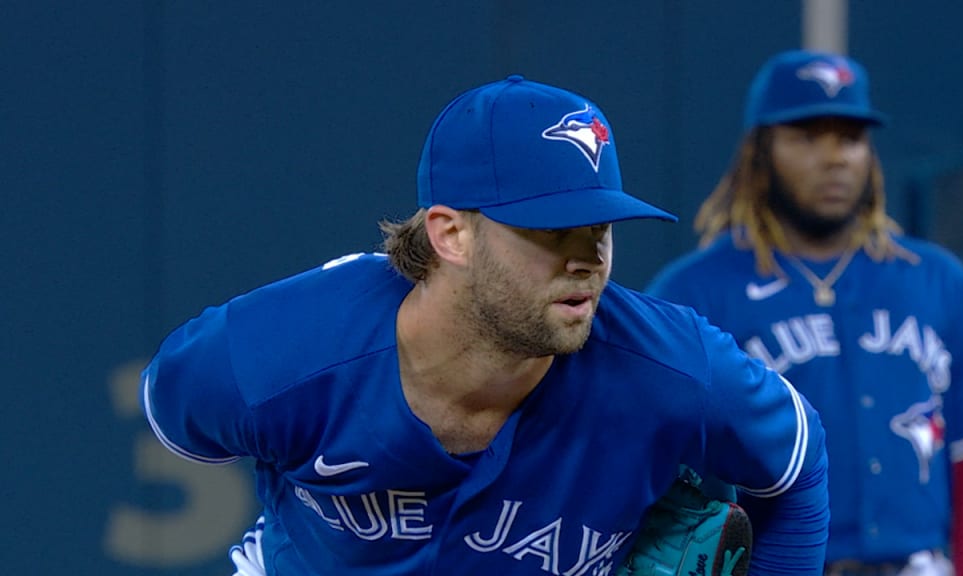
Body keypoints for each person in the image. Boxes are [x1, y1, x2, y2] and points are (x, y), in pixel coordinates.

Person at [140, 74, 830, 575]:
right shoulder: (287, 351)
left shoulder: (668, 369)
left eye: (601, 228)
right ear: (451, 234)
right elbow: (177, 413)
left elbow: (797, 467)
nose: (588, 260)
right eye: (553, 228)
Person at [646, 49, 963, 575]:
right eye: (806, 135)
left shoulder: (937, 280)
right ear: (759, 152)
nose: (835, 157)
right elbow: (657, 476)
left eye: (850, 137)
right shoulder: (694, 293)